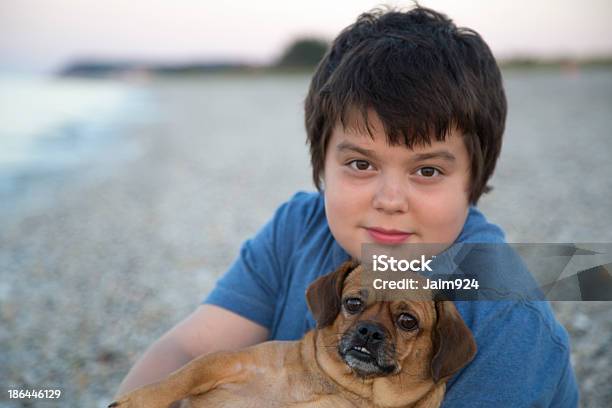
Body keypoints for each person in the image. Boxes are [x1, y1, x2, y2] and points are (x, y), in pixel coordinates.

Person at [114, 5, 579, 406]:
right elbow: (186, 348)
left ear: (473, 180)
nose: (390, 200)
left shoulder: (508, 320)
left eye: (428, 171)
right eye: (361, 164)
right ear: (322, 165)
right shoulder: (299, 226)